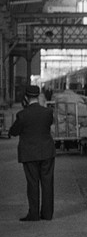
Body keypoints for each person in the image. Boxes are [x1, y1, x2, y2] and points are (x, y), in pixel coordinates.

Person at [9, 85, 55, 222]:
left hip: (29, 154)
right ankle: (47, 214)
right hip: (47, 151)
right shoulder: (47, 112)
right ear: (39, 95)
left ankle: (34, 215)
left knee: (32, 183)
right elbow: (48, 126)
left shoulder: (22, 115)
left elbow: (14, 131)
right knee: (47, 183)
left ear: (26, 97)